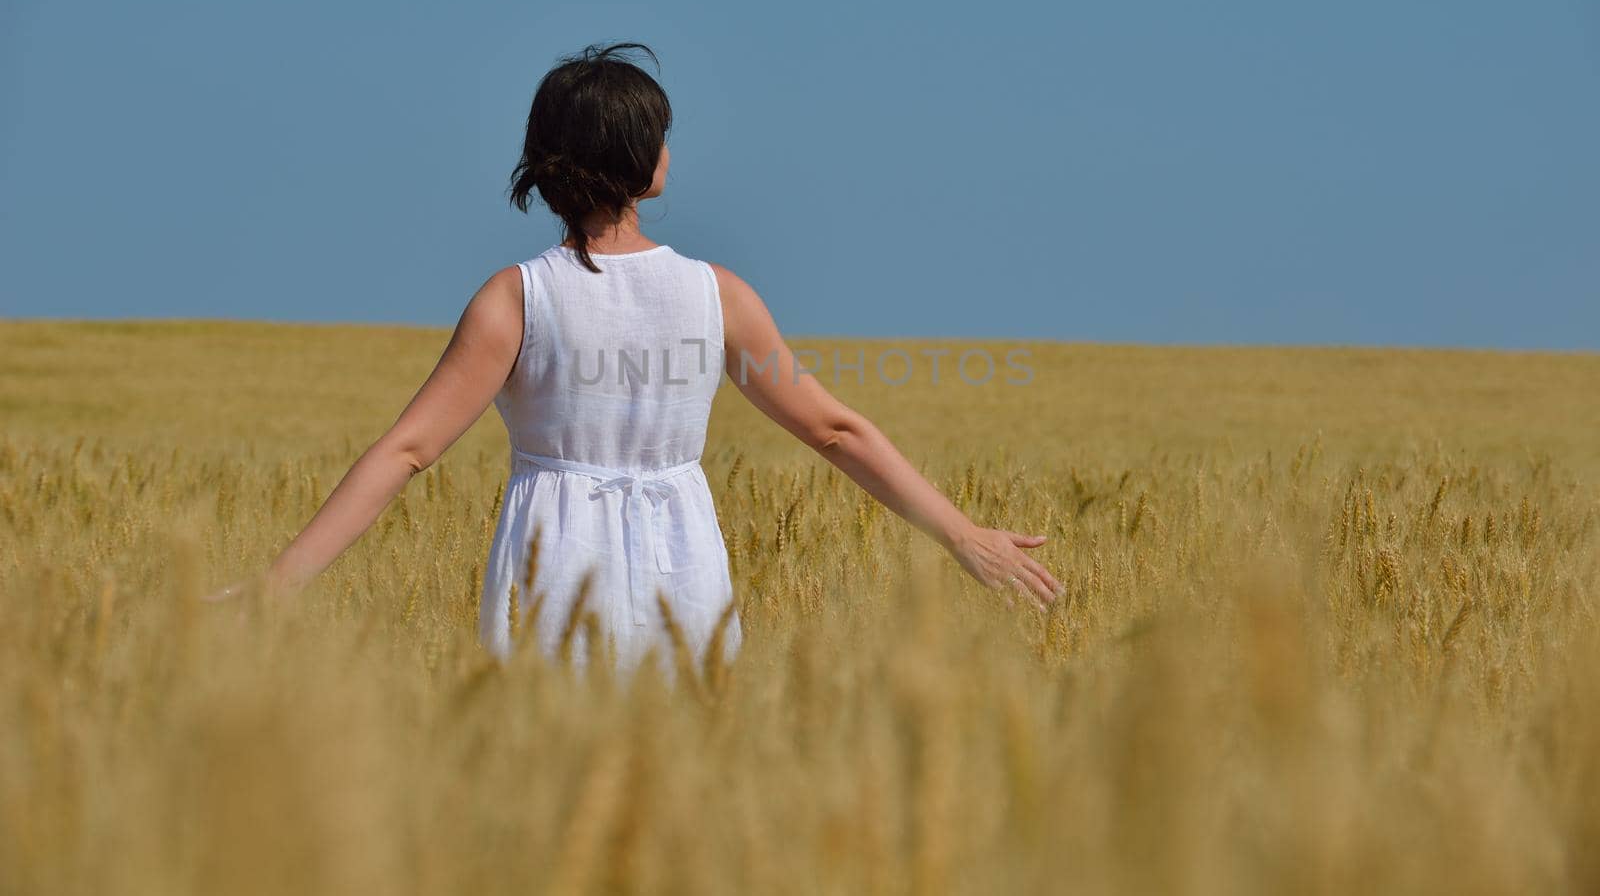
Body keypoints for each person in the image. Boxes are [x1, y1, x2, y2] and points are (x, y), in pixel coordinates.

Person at [206, 42, 1063, 674]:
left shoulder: (514, 299)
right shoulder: (716, 295)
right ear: (636, 157)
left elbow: (406, 450)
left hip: (551, 558)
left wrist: (280, 582)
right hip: (680, 559)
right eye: (661, 135)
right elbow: (837, 431)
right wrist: (963, 536)